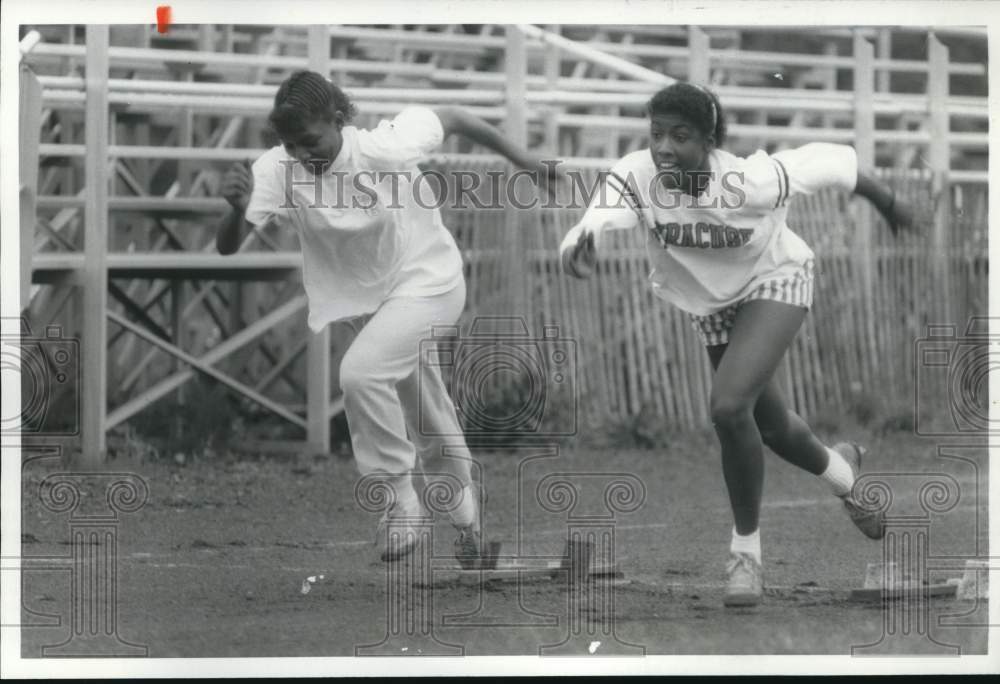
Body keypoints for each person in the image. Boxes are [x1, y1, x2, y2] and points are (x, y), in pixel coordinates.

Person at [560, 82, 917, 607]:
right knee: (771, 427)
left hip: (776, 279)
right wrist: (579, 244)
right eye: (656, 134)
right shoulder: (637, 175)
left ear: (709, 141)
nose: (663, 147)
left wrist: (888, 203)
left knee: (729, 408)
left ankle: (745, 555)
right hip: (712, 305)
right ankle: (844, 473)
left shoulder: (751, 181)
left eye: (680, 136)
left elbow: (834, 163)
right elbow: (595, 217)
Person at [217, 70, 555, 566]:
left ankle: (400, 502)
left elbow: (456, 117)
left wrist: (526, 162)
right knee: (426, 407)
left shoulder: (384, 144)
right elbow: (227, 247)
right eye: (290, 145)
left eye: (311, 141)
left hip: (431, 282)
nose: (302, 155)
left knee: (360, 374)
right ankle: (468, 526)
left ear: (339, 119)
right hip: (373, 305)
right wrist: (235, 209)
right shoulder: (277, 169)